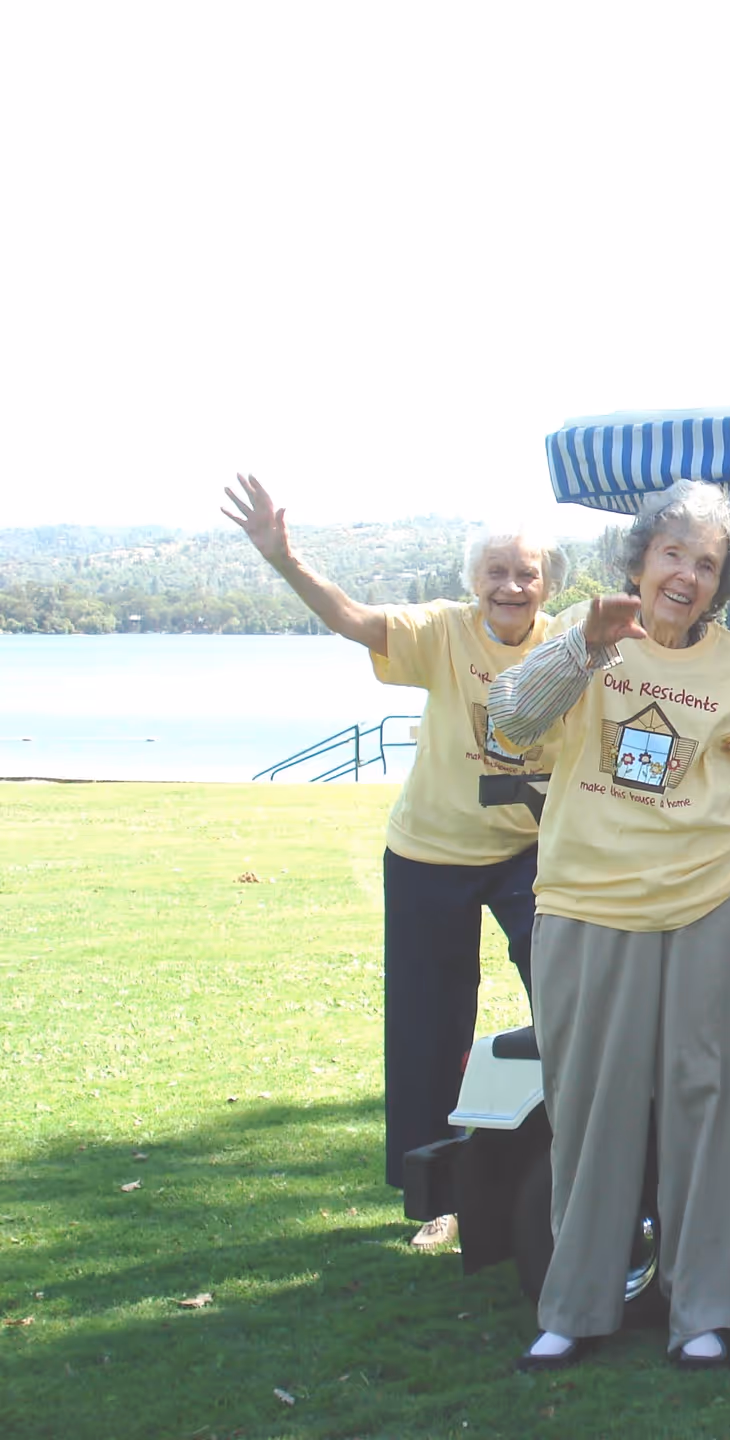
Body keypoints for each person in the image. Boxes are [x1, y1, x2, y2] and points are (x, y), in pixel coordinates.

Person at [488, 483, 730, 1375]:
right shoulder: (589, 638)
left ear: (719, 583)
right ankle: (575, 1305)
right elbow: (510, 721)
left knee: (703, 1098)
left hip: (708, 898)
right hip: (587, 902)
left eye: (706, 564)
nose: (687, 575)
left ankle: (700, 1308)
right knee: (588, 1105)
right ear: (638, 562)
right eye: (674, 555)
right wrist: (583, 650)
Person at [223, 473, 566, 1245]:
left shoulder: (565, 645)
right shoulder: (442, 631)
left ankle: (570, 1160)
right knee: (427, 1029)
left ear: (548, 585)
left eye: (526, 573)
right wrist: (285, 559)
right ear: (474, 581)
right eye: (496, 573)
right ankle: (439, 1199)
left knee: (573, 995)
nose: (510, 586)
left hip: (530, 854)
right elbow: (353, 620)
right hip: (429, 853)